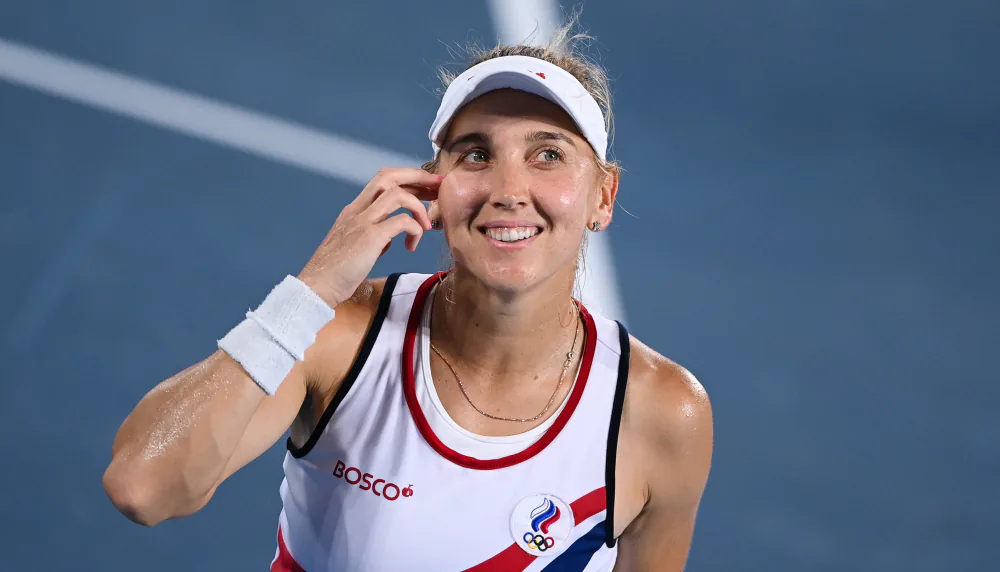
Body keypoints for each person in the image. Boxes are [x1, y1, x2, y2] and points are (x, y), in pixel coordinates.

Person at [103, 23, 713, 572]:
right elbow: (142, 489)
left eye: (548, 155)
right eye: (476, 154)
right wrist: (311, 292)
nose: (508, 189)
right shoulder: (338, 335)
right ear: (433, 187)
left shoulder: (661, 413)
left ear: (603, 196)